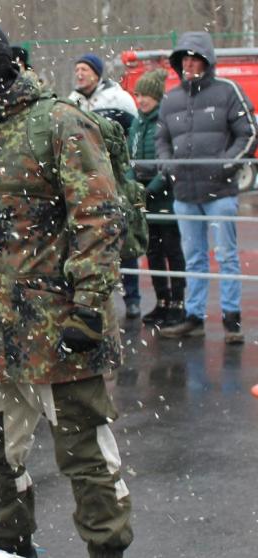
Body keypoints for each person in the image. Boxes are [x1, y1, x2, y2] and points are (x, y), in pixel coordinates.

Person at [0, 18, 132, 558]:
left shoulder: (61, 123)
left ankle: (106, 551)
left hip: (60, 331)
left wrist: (90, 307)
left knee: (85, 456)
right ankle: (12, 549)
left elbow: (98, 218)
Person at [156, 31, 257, 344]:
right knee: (194, 257)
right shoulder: (170, 98)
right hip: (184, 194)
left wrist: (225, 165)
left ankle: (232, 321)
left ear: (206, 60)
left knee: (226, 256)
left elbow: (249, 133)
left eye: (194, 58)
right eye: (184, 58)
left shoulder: (228, 91)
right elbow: (161, 139)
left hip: (220, 194)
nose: (188, 64)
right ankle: (194, 317)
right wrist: (169, 167)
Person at [68, 52, 141, 319]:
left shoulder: (119, 99)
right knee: (91, 238)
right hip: (85, 182)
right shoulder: (72, 102)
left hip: (116, 177)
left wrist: (126, 165)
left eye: (85, 69)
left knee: (124, 238)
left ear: (97, 74)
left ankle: (133, 297)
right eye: (77, 68)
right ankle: (95, 297)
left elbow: (134, 133)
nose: (79, 74)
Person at [127, 69, 186, 328]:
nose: (141, 100)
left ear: (156, 97)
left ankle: (178, 302)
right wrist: (131, 183)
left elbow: (168, 160)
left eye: (146, 96)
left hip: (165, 197)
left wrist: (152, 186)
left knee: (173, 250)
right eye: (139, 95)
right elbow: (130, 157)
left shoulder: (166, 120)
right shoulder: (137, 123)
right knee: (152, 251)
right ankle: (161, 300)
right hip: (145, 198)